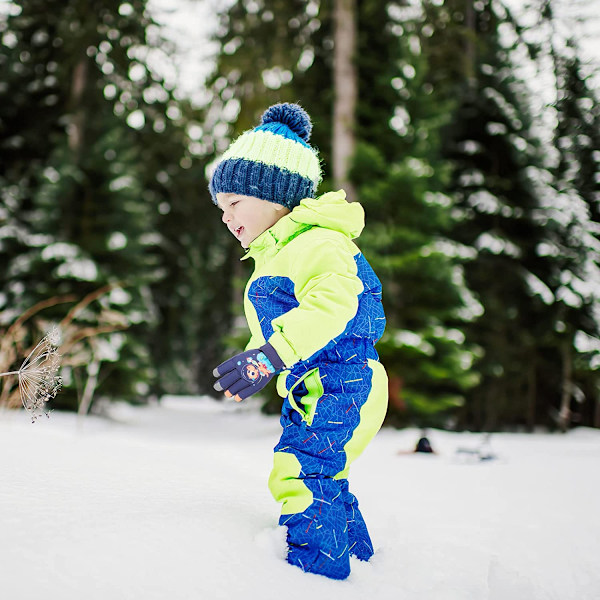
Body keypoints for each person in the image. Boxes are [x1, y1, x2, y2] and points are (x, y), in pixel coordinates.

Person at [209, 103, 388, 580]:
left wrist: (272, 356)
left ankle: (315, 576)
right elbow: (278, 322)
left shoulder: (319, 243)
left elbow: (333, 306)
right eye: (220, 208)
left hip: (341, 381)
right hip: (319, 385)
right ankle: (361, 565)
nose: (226, 217)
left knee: (299, 472)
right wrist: (257, 358)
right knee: (324, 474)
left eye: (234, 203)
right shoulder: (280, 255)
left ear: (273, 195)